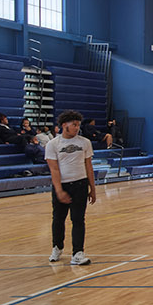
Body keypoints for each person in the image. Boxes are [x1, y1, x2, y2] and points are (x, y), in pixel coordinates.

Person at [45, 110, 96, 266]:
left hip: (80, 184)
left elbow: (89, 166)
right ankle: (57, 247)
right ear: (64, 125)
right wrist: (59, 190)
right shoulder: (53, 144)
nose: (77, 128)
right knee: (58, 219)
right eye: (74, 125)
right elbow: (54, 169)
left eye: (78, 125)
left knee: (78, 219)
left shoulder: (85, 142)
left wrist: (92, 188)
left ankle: (78, 253)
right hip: (62, 185)